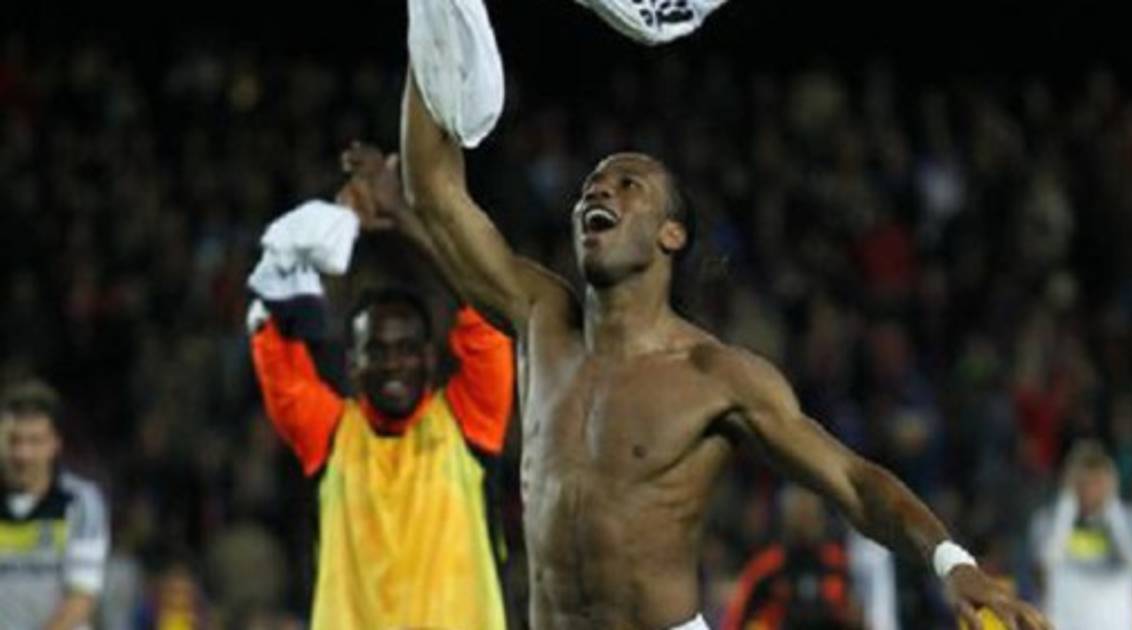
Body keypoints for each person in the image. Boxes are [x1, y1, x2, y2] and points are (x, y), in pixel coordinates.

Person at [340, 31, 1050, 628]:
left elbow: (854, 483)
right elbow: (435, 192)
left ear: (671, 234)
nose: (599, 190)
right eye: (591, 186)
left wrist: (952, 563)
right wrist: (437, 18)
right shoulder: (540, 319)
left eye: (628, 185)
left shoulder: (716, 377)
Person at [246, 178, 516, 629]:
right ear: (352, 364)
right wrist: (329, 229)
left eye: (406, 348)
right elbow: (271, 334)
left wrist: (407, 219)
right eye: (377, 349)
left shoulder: (470, 422)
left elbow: (485, 307)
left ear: (430, 357)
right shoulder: (329, 435)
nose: (393, 363)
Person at [0, 379, 110, 630]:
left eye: (35, 441)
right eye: (15, 441)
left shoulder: (81, 501)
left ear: (55, 444)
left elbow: (81, 596)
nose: (23, 454)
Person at [721, 485, 899, 630]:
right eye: (799, 515)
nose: (804, 523)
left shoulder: (839, 563)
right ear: (786, 519)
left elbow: (861, 614)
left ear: (820, 518)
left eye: (809, 515)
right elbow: (735, 619)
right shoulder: (766, 567)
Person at [1030, 440, 1132, 630]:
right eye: (1082, 482)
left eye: (1097, 482)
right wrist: (1066, 508)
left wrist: (1111, 510)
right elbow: (1044, 562)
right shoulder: (1047, 519)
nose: (1089, 490)